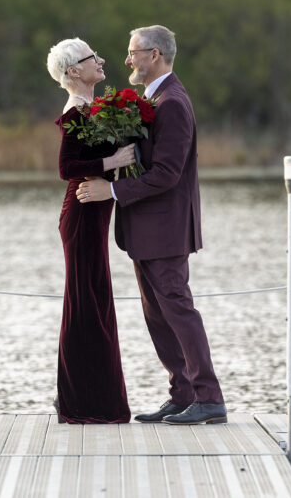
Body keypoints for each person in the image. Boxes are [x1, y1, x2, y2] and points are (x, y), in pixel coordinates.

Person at [75, 25, 226, 425]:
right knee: (158, 315)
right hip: (146, 231)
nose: (127, 60)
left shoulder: (172, 101)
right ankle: (183, 394)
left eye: (132, 52)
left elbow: (168, 173)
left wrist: (113, 191)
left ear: (153, 55)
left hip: (165, 229)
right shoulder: (152, 98)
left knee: (178, 310)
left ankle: (209, 397)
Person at [46, 37, 136, 424]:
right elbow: (67, 168)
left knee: (94, 302)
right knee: (86, 307)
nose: (101, 60)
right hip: (82, 213)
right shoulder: (75, 113)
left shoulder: (93, 108)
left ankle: (89, 402)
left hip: (95, 212)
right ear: (73, 72)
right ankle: (83, 406)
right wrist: (113, 158)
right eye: (91, 57)